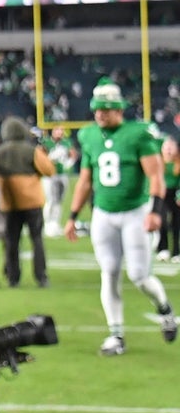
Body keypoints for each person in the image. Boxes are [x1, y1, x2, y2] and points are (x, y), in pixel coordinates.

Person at [65, 78, 177, 355]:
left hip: (135, 212)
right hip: (104, 213)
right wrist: (72, 215)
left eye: (105, 108)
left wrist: (155, 212)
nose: (100, 114)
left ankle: (165, 309)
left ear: (119, 109)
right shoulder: (89, 135)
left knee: (139, 275)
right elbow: (85, 180)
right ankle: (116, 334)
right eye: (97, 109)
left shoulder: (138, 134)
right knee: (109, 272)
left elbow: (156, 176)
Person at [0, 116, 56, 288]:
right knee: (37, 239)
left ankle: (13, 277)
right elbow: (49, 170)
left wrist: (2, 181)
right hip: (33, 201)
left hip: (10, 202)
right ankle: (41, 277)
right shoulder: (32, 150)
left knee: (11, 241)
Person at [40, 125, 79, 237]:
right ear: (53, 131)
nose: (60, 133)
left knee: (59, 201)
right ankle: (47, 224)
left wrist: (69, 163)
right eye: (57, 130)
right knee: (50, 200)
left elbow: (73, 155)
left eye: (61, 130)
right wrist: (49, 160)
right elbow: (40, 156)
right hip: (49, 175)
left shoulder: (66, 143)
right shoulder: (46, 142)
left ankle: (55, 223)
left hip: (62, 175)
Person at [155, 136, 180, 263]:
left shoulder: (178, 163)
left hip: (175, 195)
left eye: (171, 147)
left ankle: (177, 251)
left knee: (176, 224)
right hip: (161, 195)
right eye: (166, 147)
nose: (169, 150)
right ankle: (163, 249)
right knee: (162, 221)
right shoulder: (158, 162)